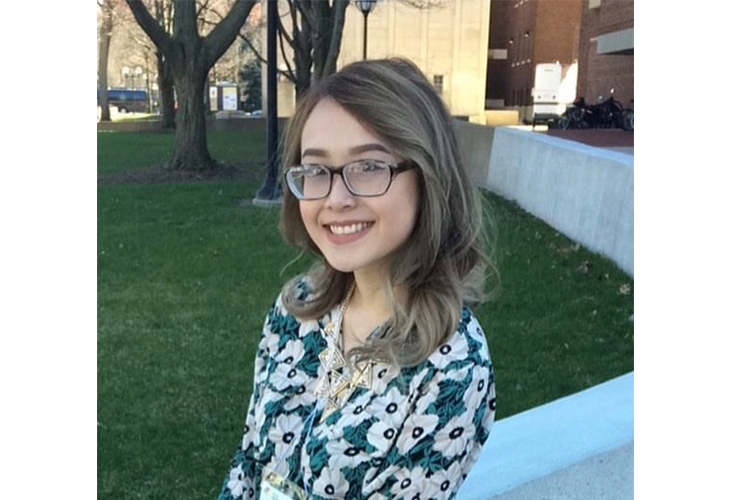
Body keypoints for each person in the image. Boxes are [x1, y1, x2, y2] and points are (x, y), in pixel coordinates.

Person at [218, 57, 497, 500]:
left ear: (426, 176)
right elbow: (251, 457)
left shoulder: (452, 367)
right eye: (316, 171)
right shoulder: (297, 307)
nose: (337, 198)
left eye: (368, 167)